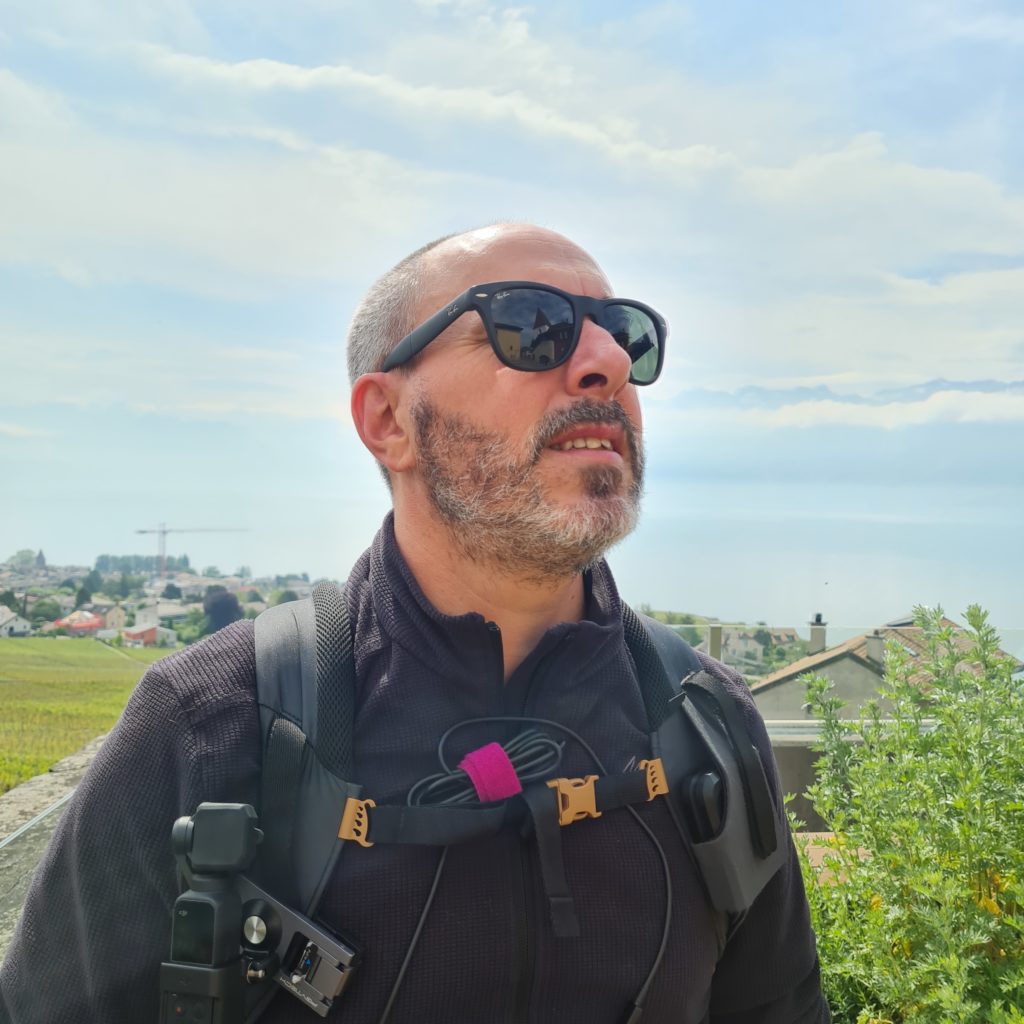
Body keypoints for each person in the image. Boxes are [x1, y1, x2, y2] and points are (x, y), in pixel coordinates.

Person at [0, 223, 829, 1023]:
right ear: (388, 421)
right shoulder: (214, 724)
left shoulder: (706, 723)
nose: (608, 362)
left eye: (625, 335)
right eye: (530, 326)